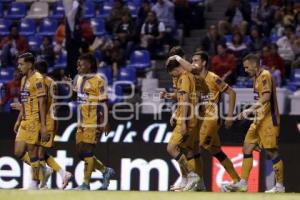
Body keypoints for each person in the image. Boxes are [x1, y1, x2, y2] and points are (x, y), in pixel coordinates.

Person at [170, 51, 241, 191]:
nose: (193, 62)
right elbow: (186, 99)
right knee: (215, 151)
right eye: (192, 59)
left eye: (196, 60)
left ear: (204, 63)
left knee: (192, 148)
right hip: (199, 119)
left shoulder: (213, 78)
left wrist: (230, 116)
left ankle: (193, 179)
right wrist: (175, 112)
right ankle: (236, 180)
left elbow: (232, 93)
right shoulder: (194, 79)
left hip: (210, 118)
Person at [225, 54, 285, 193]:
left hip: (269, 120)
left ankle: (280, 186)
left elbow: (266, 96)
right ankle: (243, 183)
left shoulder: (265, 75)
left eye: (247, 67)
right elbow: (260, 100)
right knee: (247, 148)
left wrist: (250, 109)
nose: (245, 70)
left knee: (272, 152)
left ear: (254, 64)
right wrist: (248, 111)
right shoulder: (256, 78)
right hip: (258, 120)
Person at [74, 53, 115, 190]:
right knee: (80, 152)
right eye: (78, 65)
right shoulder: (79, 79)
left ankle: (85, 184)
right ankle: (105, 170)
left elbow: (104, 102)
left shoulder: (99, 80)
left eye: (81, 64)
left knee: (87, 150)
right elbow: (77, 96)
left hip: (94, 120)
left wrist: (105, 121)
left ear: (89, 65)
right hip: (81, 120)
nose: (78, 67)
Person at [165, 57, 200, 192]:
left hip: (186, 119)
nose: (172, 76)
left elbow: (185, 101)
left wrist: (184, 122)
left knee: (171, 148)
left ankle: (192, 175)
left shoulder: (184, 78)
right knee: (181, 149)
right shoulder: (184, 77)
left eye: (172, 73)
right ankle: (186, 179)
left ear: (176, 69)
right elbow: (180, 99)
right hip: (186, 117)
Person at [13, 53, 47, 189]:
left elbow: (42, 102)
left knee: (32, 151)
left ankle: (35, 182)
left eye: (21, 64)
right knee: (18, 152)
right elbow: (25, 102)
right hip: (25, 120)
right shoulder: (23, 80)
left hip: (35, 119)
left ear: (30, 64)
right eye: (18, 64)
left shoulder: (38, 79)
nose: (19, 66)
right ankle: (42, 169)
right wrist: (18, 119)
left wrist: (43, 125)